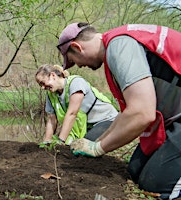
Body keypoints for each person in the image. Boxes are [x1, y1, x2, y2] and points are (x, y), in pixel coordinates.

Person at [57, 22, 181, 199]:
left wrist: (99, 148)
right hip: (175, 119)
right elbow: (129, 112)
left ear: (77, 47)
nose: (78, 66)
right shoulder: (118, 42)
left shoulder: (119, 46)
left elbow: (142, 113)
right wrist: (99, 140)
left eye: (73, 61)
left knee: (157, 183)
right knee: (135, 170)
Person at [35, 64, 118, 145]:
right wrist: (46, 142)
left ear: (53, 75)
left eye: (43, 83)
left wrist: (61, 141)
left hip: (106, 120)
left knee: (83, 147)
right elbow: (51, 119)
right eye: (40, 85)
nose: (42, 88)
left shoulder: (76, 83)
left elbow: (72, 113)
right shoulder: (51, 95)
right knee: (71, 147)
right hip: (88, 126)